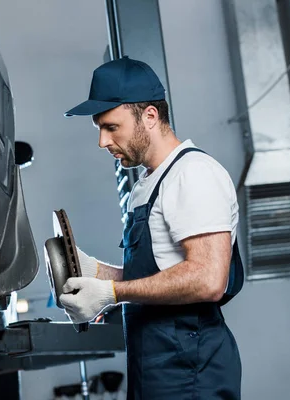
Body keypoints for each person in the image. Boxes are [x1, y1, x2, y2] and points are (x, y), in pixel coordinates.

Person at [59, 56, 244, 400]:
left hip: (190, 372)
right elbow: (160, 273)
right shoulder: (145, 186)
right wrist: (98, 273)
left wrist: (112, 295)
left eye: (111, 127)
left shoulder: (193, 174)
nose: (102, 141)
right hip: (154, 368)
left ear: (150, 116)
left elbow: (208, 279)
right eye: (99, 128)